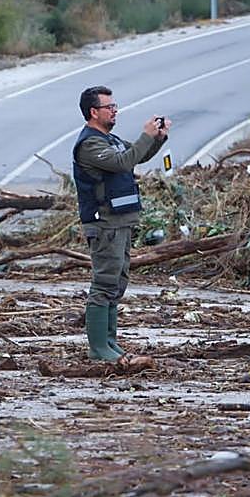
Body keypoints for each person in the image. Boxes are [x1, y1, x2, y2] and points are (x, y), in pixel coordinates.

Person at [72, 85, 170, 362]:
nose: (115, 111)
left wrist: (158, 139)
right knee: (104, 283)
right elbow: (121, 162)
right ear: (94, 112)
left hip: (121, 221)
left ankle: (109, 342)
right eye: (109, 107)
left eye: (115, 106)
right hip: (104, 223)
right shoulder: (90, 144)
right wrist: (145, 136)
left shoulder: (110, 139)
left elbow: (137, 156)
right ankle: (98, 348)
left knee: (117, 283)